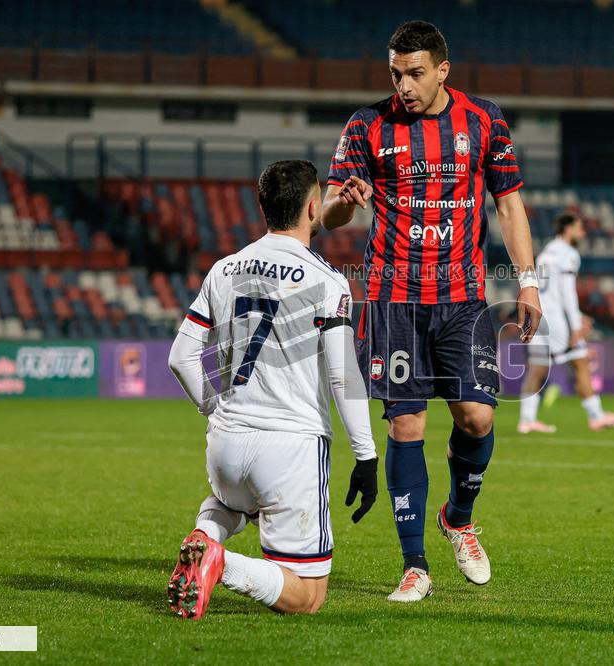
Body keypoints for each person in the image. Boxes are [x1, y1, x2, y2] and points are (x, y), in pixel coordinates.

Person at [320, 20, 542, 602]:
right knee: (408, 425)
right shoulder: (367, 124)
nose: (404, 86)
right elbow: (327, 216)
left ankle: (458, 518)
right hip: (394, 298)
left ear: (443, 70)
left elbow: (510, 206)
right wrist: (345, 202)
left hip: (463, 297)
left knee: (477, 418)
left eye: (415, 73)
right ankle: (414, 564)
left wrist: (528, 282)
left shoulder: (484, 120)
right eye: (396, 74)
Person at [165, 160, 379, 618]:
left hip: (226, 446)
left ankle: (205, 534)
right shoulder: (327, 280)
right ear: (313, 207)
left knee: (234, 504)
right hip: (289, 449)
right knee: (308, 597)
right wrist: (366, 456)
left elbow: (180, 357)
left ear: (263, 207)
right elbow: (343, 374)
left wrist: (214, 408)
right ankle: (219, 563)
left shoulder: (223, 269)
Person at [519, 212, 614, 433]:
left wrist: (576, 315)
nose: (583, 233)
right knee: (581, 362)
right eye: (579, 228)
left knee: (538, 367)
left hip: (538, 314)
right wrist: (576, 324)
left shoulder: (546, 252)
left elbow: (548, 289)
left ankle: (527, 420)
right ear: (568, 229)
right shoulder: (568, 253)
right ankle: (596, 416)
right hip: (556, 319)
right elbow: (566, 291)